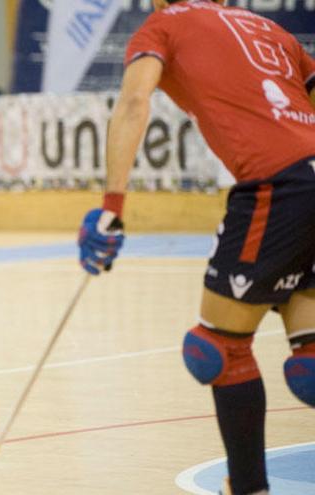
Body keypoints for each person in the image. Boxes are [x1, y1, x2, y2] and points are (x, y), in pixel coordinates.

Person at [77, 1, 315, 494]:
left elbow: (133, 103)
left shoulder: (163, 24)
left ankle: (249, 488)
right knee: (311, 362)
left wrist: (111, 205)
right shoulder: (270, 28)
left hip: (279, 185)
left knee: (218, 350)